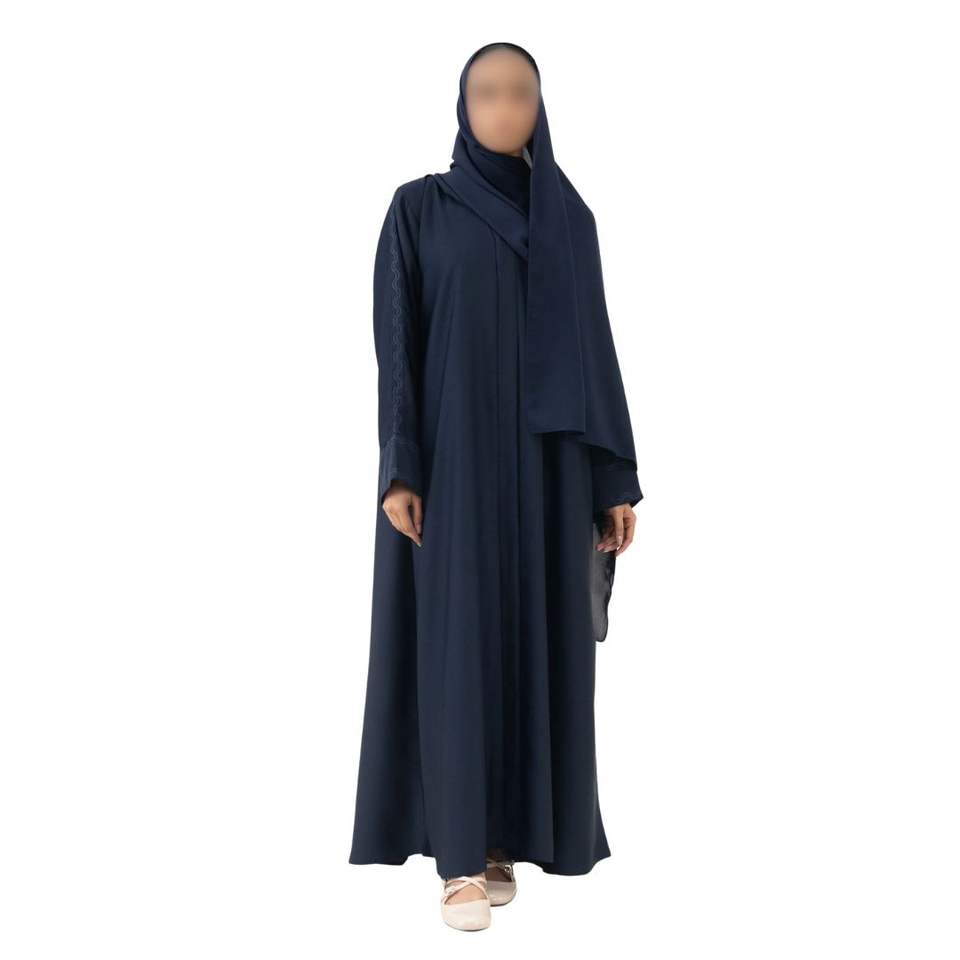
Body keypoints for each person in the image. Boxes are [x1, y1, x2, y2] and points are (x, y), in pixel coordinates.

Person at [348, 41, 644, 931]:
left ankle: (501, 842)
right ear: (463, 105)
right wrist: (401, 464)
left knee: (533, 642)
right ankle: (458, 862)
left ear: (540, 109)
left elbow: (594, 349)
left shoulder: (569, 218)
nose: (505, 107)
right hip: (458, 465)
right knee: (458, 645)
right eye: (488, 93)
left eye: (521, 93)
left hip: (551, 468)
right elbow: (396, 342)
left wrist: (612, 478)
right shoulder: (419, 210)